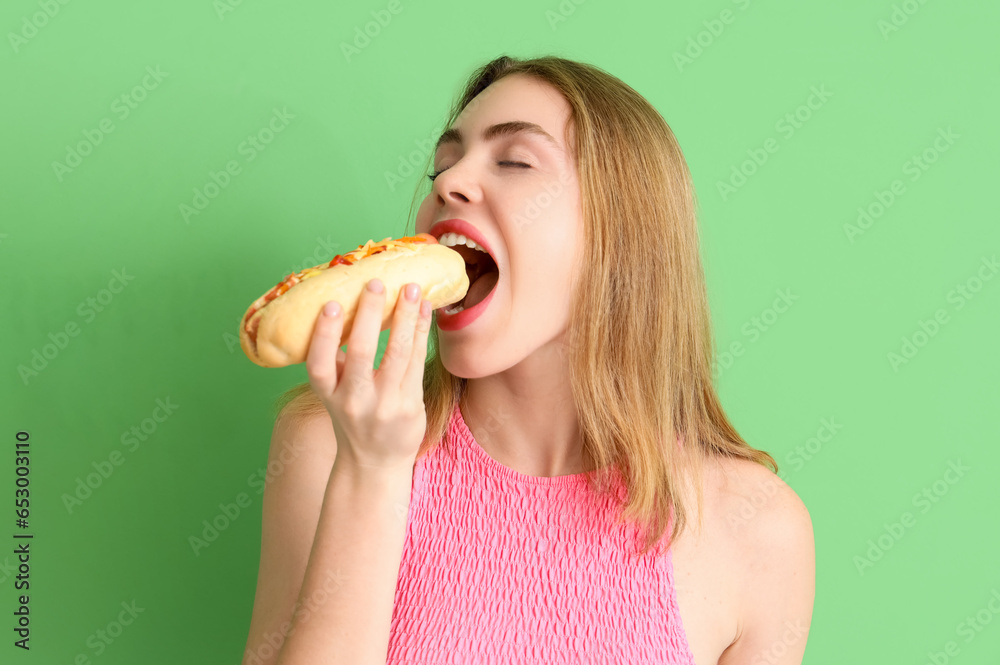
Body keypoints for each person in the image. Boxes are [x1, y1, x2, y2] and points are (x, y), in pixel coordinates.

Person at [242, 55, 815, 665]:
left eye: (514, 161)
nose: (449, 182)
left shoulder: (756, 529)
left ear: (622, 236)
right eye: (442, 164)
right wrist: (372, 473)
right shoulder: (329, 445)